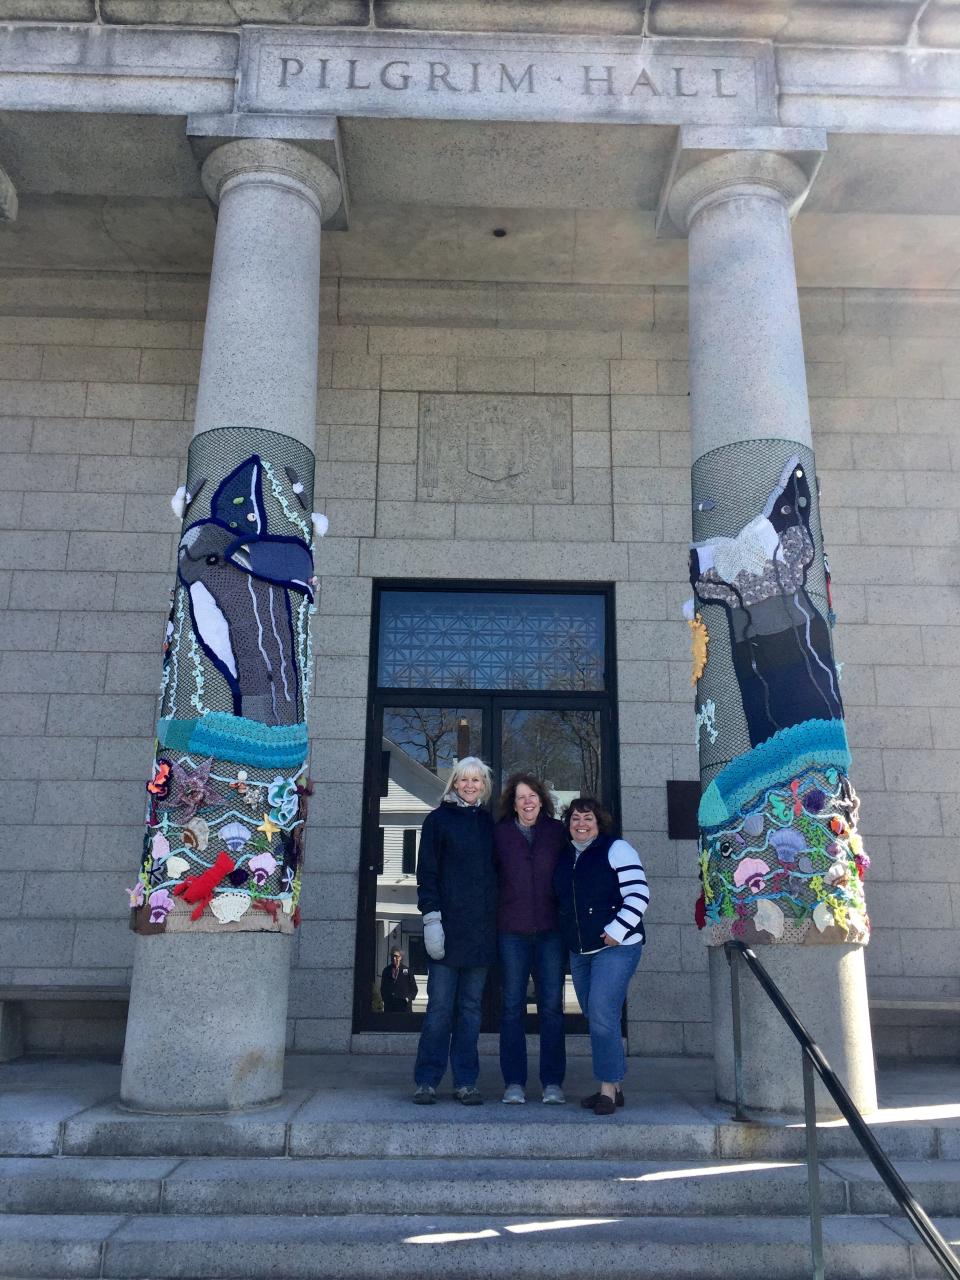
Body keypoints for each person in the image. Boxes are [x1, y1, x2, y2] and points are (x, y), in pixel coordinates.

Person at [553, 796, 649, 1116]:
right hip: (580, 951)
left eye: (588, 819)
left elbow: (638, 893)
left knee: (602, 1014)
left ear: (599, 823)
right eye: (575, 819)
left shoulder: (616, 849)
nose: (581, 824)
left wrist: (617, 930)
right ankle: (615, 1086)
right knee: (596, 1017)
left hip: (616, 947)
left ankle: (608, 1089)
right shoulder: (564, 857)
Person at [412, 756, 497, 1106]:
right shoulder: (437, 821)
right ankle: (427, 1080)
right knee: (440, 1009)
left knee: (470, 1010)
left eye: (477, 780)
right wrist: (431, 918)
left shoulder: (490, 825)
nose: (470, 785)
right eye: (464, 779)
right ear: (454, 783)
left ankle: (466, 1080)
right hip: (446, 930)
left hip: (480, 933)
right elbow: (427, 874)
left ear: (484, 786)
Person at [493, 772, 568, 1105]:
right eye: (521, 796)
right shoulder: (499, 835)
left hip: (551, 932)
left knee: (551, 1008)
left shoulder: (557, 833)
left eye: (532, 795)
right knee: (512, 1008)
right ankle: (514, 1083)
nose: (527, 801)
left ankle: (553, 1082)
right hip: (511, 931)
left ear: (542, 799)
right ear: (513, 802)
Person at [380, 949, 418, 1013]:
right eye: (392, 956)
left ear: (400, 957)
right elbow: (383, 988)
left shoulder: (407, 971)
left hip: (404, 1007)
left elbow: (414, 989)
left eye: (396, 956)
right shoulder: (386, 970)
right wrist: (385, 999)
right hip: (390, 1007)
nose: (393, 958)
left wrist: (408, 998)